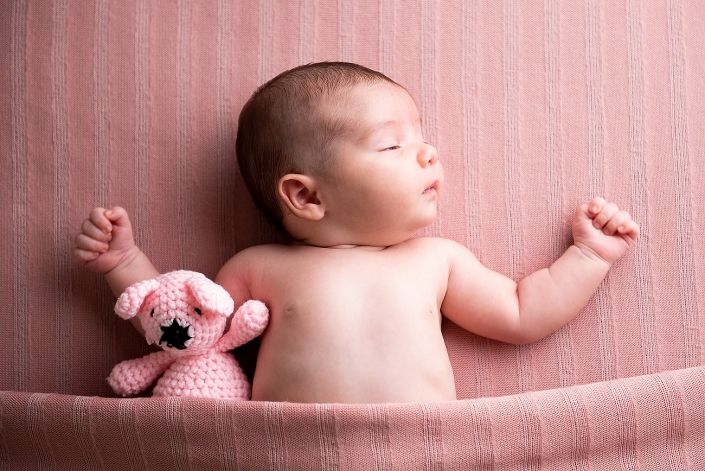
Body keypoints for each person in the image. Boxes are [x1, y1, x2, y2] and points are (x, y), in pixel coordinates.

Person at [73, 62, 639, 403]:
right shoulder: (261, 266)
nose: (428, 153)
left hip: (416, 450)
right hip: (287, 449)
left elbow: (521, 312)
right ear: (307, 196)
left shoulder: (436, 260)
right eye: (393, 144)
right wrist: (124, 264)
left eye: (421, 137)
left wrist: (589, 255)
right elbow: (181, 332)